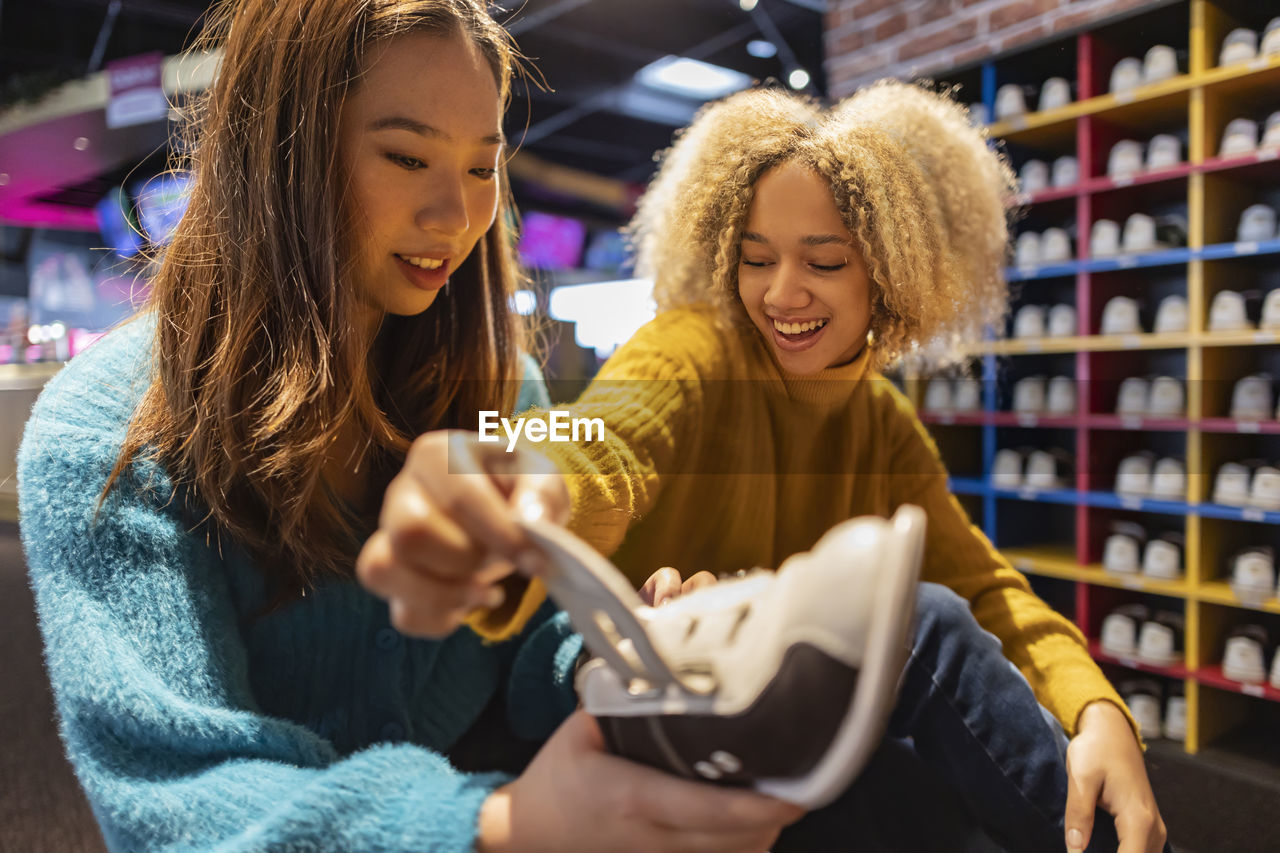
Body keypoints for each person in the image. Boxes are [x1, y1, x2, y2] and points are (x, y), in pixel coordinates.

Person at [17, 1, 805, 850]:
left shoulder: (505, 382)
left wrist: (618, 658)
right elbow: (179, 797)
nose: (456, 217)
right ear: (276, 153)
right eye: (406, 156)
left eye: (482, 167)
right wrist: (503, 823)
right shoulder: (103, 433)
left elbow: (534, 623)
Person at [357, 83, 1170, 852]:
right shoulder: (694, 349)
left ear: (890, 272)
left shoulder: (879, 421)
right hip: (623, 702)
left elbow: (988, 585)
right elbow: (606, 444)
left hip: (751, 729)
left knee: (913, 788)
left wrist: (1097, 709)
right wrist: (521, 488)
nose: (782, 292)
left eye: (823, 262)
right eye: (756, 258)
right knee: (918, 629)